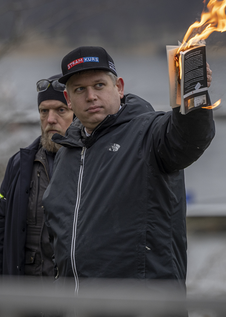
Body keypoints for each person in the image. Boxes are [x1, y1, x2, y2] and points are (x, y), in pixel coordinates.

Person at [42, 46, 215, 292]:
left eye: (99, 85)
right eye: (80, 89)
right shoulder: (67, 153)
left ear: (119, 88)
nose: (91, 96)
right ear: (69, 100)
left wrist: (193, 94)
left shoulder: (150, 133)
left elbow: (189, 137)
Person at [0, 74, 73, 279]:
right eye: (43, 111)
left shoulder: (91, 161)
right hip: (25, 299)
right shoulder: (19, 164)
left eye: (61, 110)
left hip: (74, 300)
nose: (50, 119)